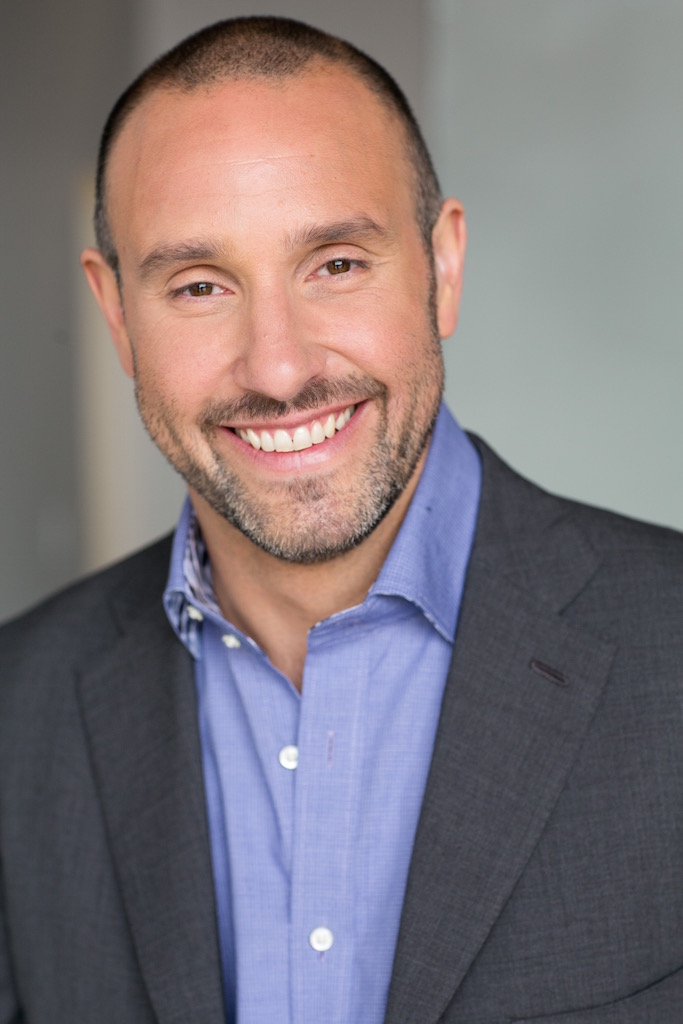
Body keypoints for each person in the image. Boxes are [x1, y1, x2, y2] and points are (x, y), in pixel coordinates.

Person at [1, 15, 682, 1024]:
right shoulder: (17, 714)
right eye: (199, 286)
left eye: (336, 264)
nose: (278, 369)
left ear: (442, 267)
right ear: (116, 316)